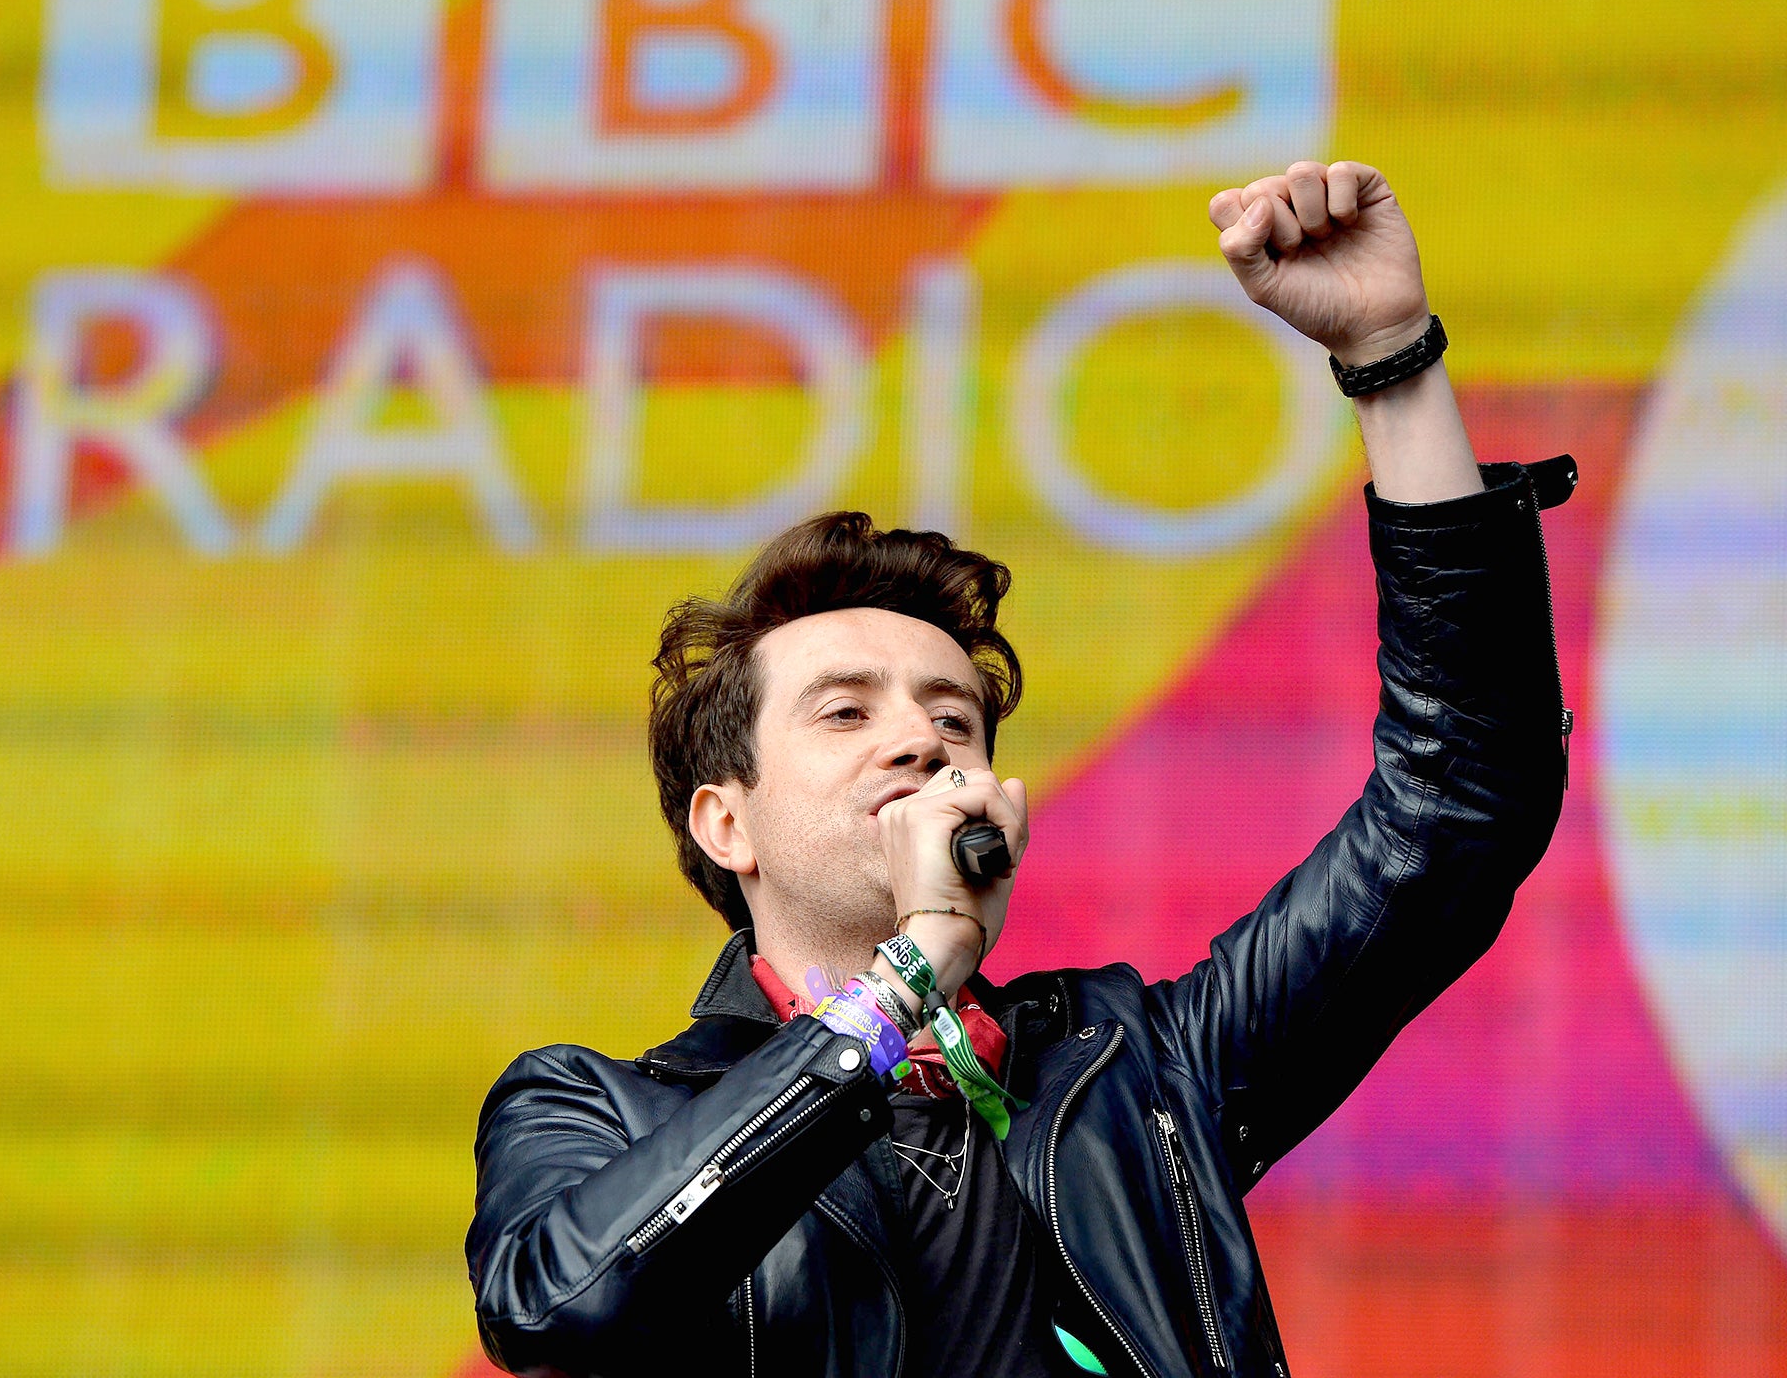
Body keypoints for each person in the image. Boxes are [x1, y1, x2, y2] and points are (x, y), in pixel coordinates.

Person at [465, 161, 1574, 1377]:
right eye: (845, 713)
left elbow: (1459, 798)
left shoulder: (1140, 1072)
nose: (920, 742)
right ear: (726, 824)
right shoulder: (602, 1111)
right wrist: (903, 985)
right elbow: (556, 1303)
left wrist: (1388, 356)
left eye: (953, 720)